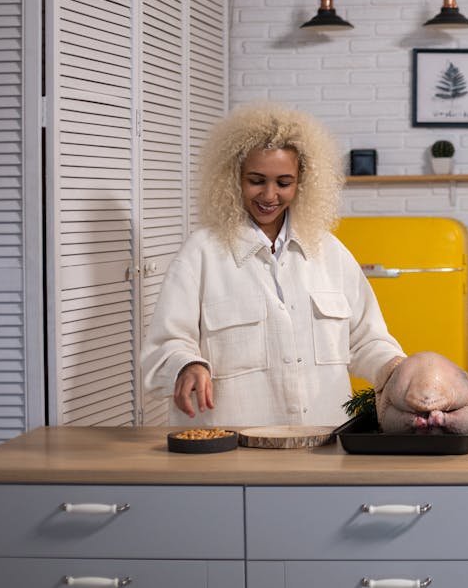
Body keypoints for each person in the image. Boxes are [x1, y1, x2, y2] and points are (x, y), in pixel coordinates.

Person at [142, 102, 405, 426]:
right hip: (231, 452)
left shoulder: (330, 253)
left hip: (323, 446)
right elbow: (162, 348)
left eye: (283, 182)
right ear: (233, 178)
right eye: (256, 180)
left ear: (301, 182)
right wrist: (186, 365)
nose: (269, 195)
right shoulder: (201, 254)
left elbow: (367, 340)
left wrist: (397, 371)